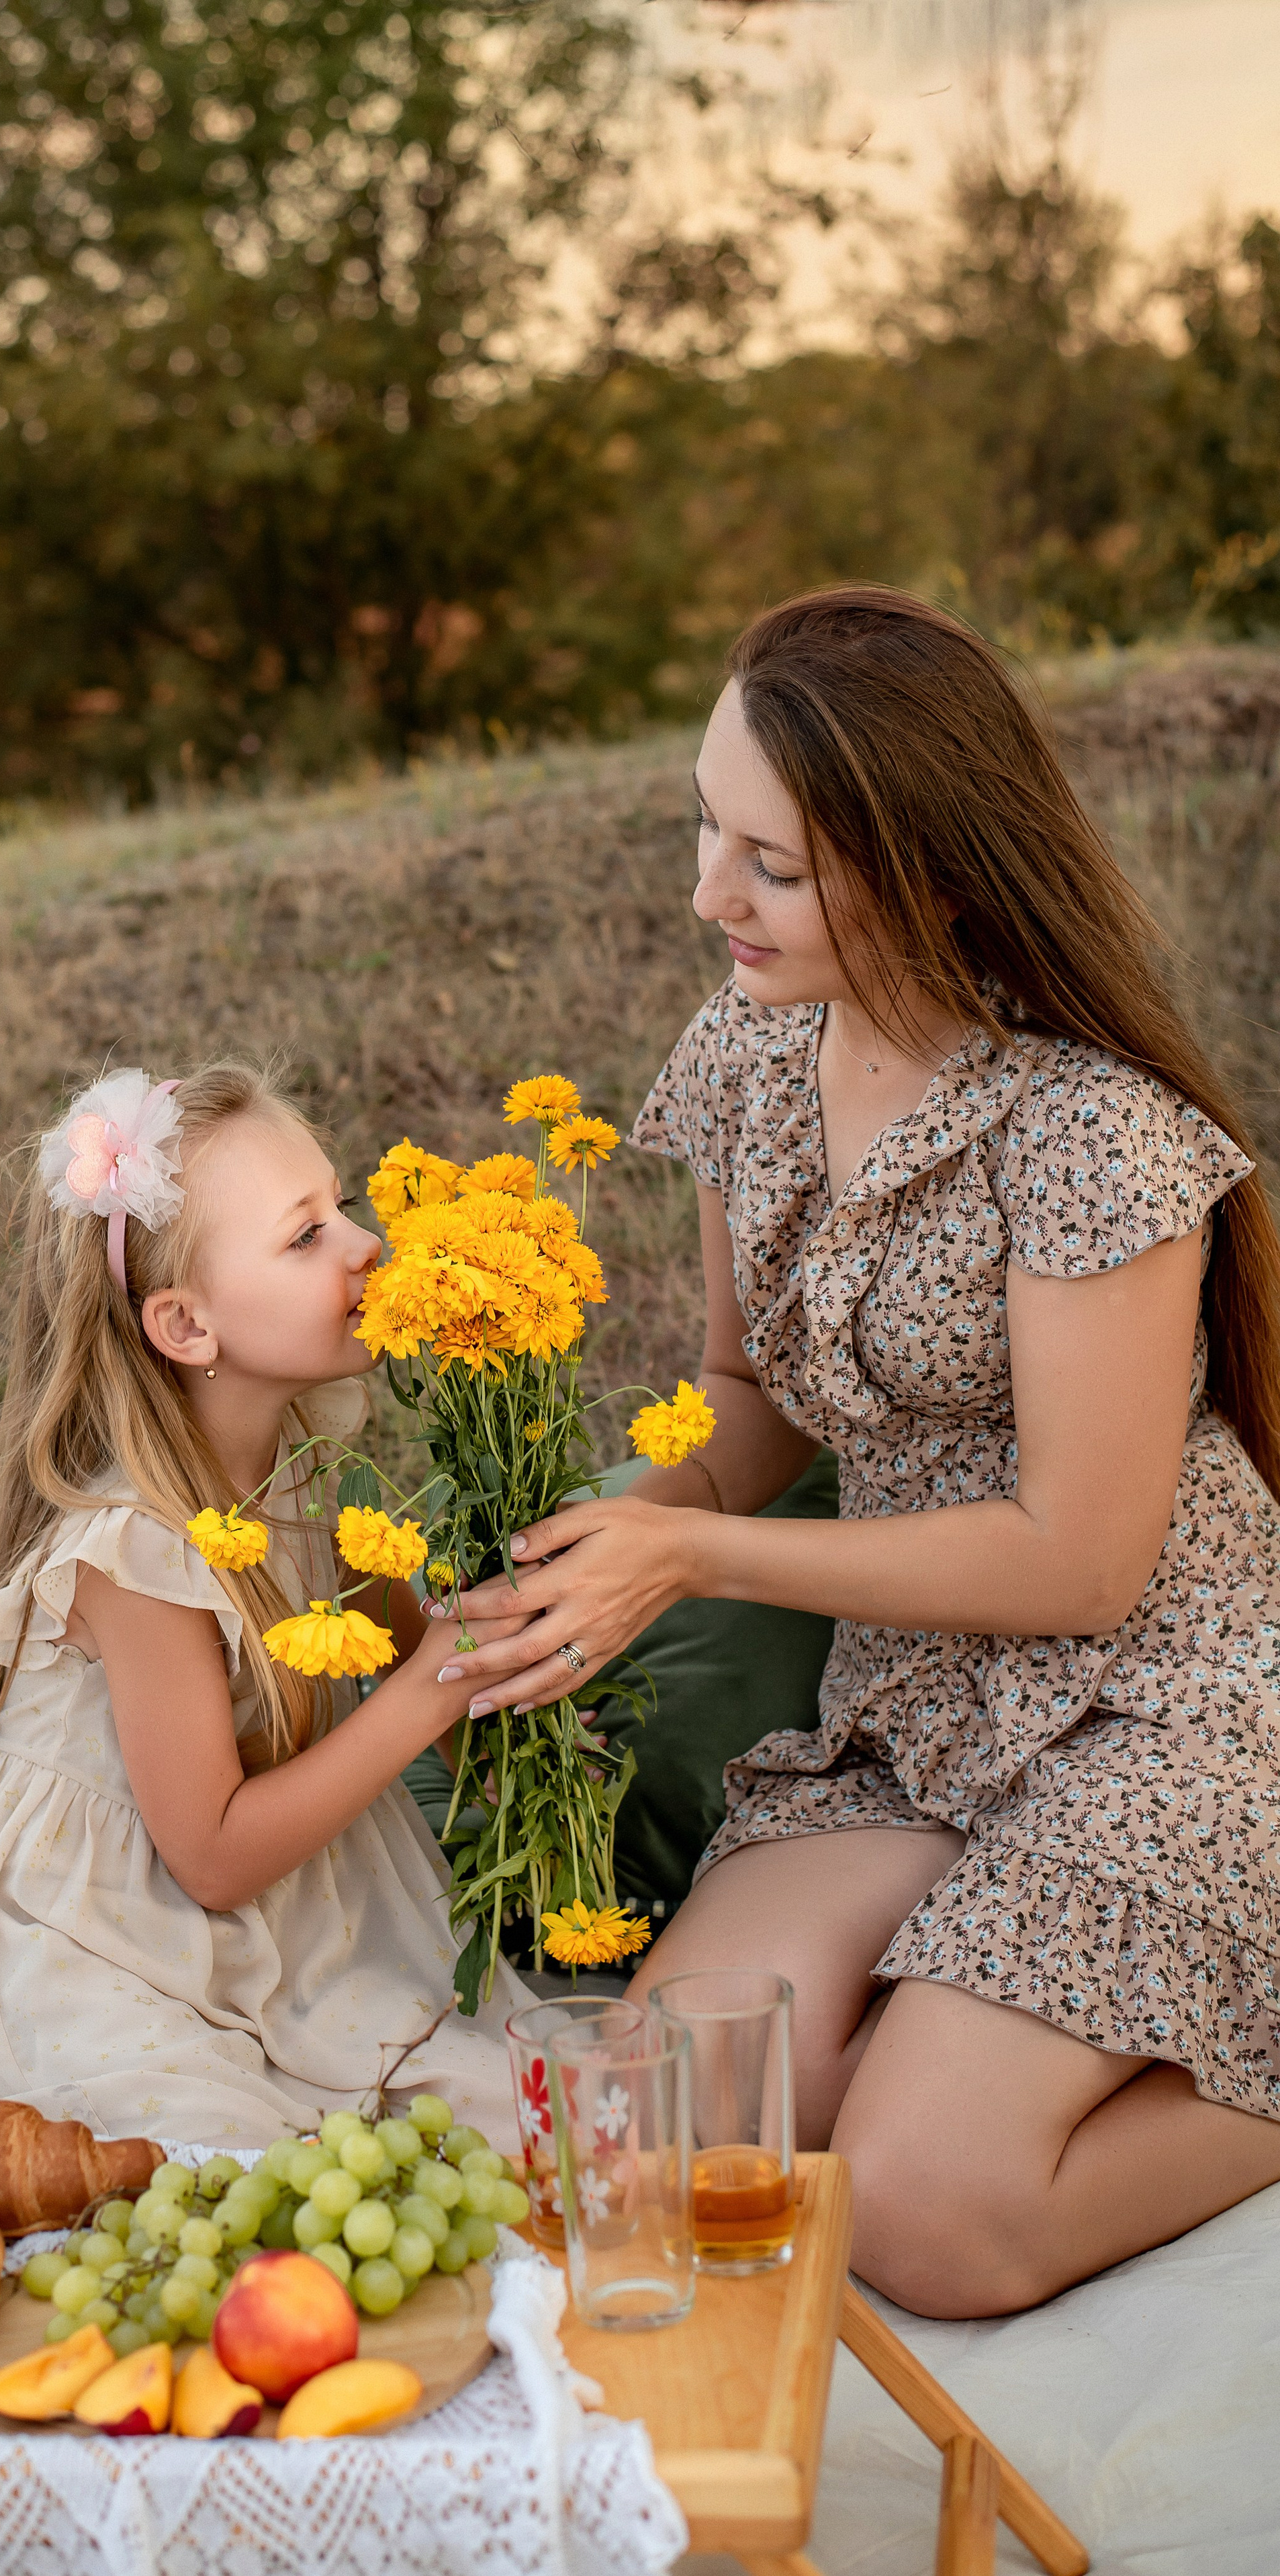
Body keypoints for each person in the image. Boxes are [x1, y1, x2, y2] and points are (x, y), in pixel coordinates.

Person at [436, 586, 1280, 2317]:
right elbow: (743, 1400)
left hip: (1161, 1702)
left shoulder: (1087, 1131)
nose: (704, 895)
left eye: (772, 862)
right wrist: (583, 1540)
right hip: (909, 1713)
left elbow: (1079, 1557)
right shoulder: (746, 1052)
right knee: (661, 2139)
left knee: (918, 2213)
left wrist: (695, 1558)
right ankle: (970, 1995)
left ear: (931, 863)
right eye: (704, 825)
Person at [0, 1060, 531, 2150]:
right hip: (104, 1934)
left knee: (510, 2100)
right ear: (188, 1327)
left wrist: (499, 1636)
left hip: (255, 1893)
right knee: (214, 2148)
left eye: (340, 1206)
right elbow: (209, 1855)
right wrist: (447, 1683)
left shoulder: (291, 1469)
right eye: (305, 1238)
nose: (365, 1246)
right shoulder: (134, 1552)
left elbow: (405, 1643)